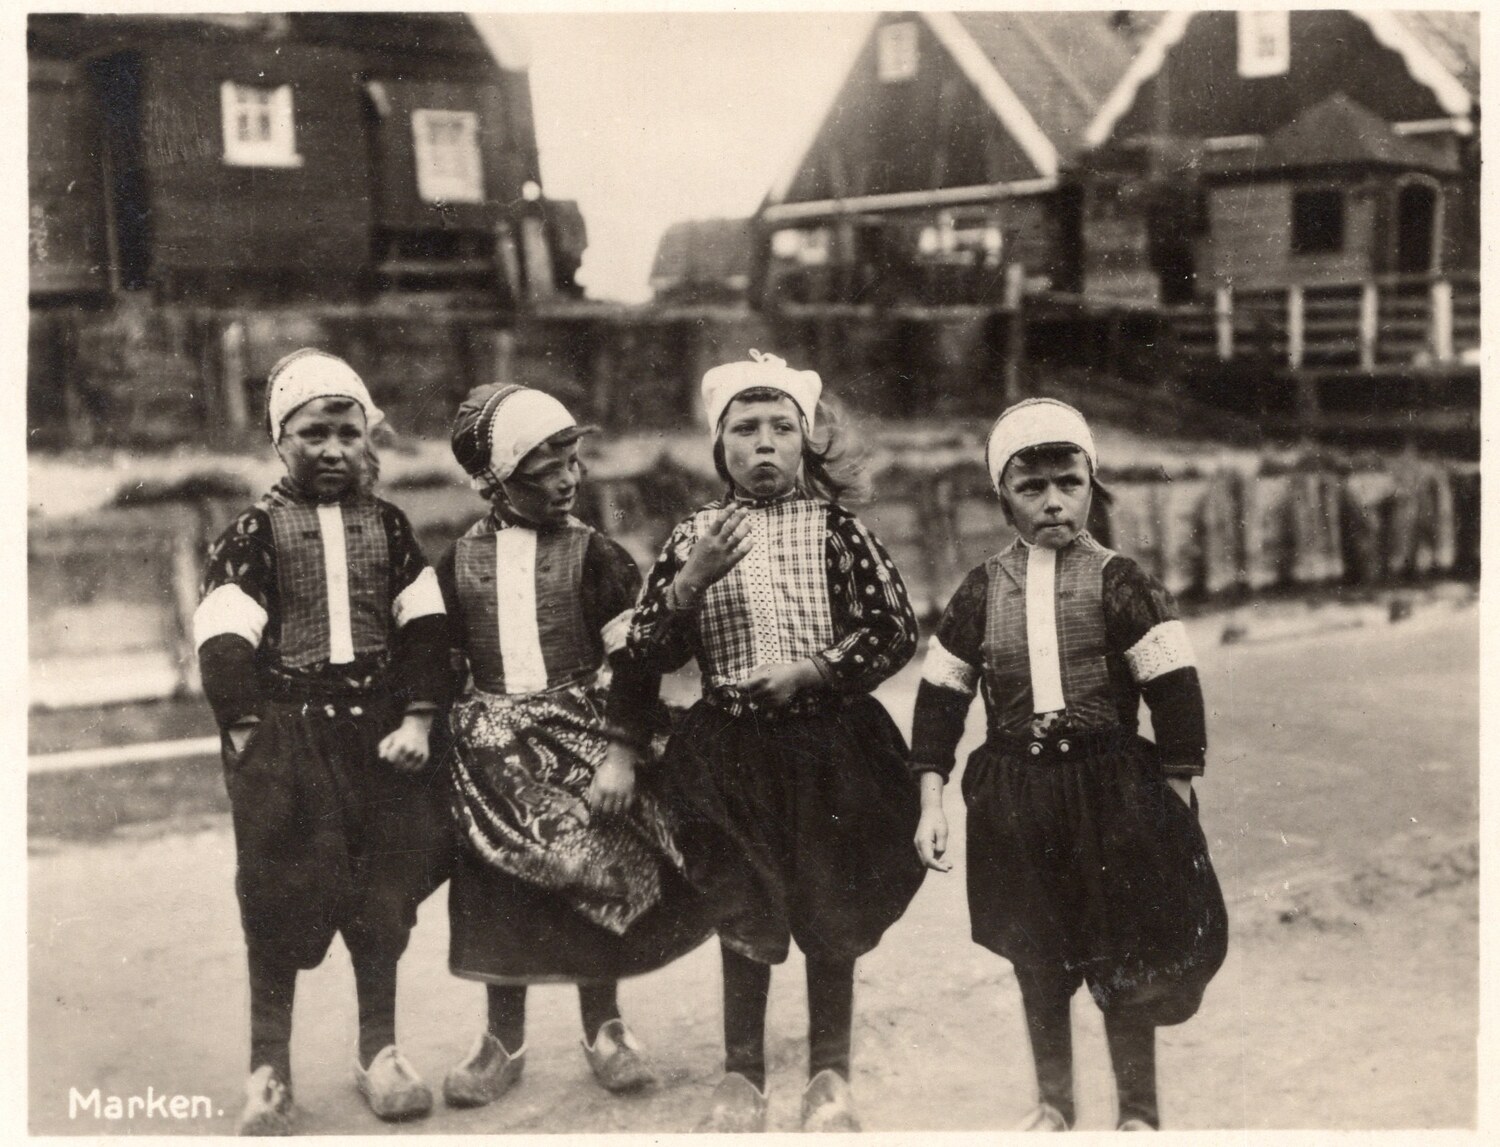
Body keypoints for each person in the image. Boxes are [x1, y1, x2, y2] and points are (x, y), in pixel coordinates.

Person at [606, 350, 926, 1133]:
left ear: (805, 441)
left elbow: (893, 629)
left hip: (830, 748)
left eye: (781, 427)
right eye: (744, 429)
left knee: (831, 899)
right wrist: (690, 581)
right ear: (719, 448)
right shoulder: (693, 537)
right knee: (741, 901)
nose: (764, 444)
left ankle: (829, 1073)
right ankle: (742, 1074)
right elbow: (644, 653)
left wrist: (814, 670)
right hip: (729, 756)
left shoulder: (839, 531)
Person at [908, 398, 1229, 1132]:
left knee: (1127, 955)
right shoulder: (980, 590)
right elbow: (940, 702)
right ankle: (1054, 1106)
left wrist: (1173, 797)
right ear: (1003, 498)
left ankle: (1138, 1115)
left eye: (1069, 483)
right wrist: (931, 799)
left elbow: (1176, 692)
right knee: (1037, 956)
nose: (1053, 501)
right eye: (1032, 487)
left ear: (1091, 485)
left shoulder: (1124, 582)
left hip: (1112, 794)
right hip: (1017, 799)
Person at [193, 349, 453, 1135]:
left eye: (348, 433)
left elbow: (427, 629)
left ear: (367, 437)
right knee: (277, 895)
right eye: (314, 434)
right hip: (289, 741)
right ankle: (268, 1068)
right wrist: (251, 732)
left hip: (380, 739)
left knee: (381, 898)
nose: (334, 449)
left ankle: (380, 1048)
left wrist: (418, 719)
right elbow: (223, 638)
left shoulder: (390, 527)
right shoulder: (253, 533)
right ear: (280, 439)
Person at [436, 384, 713, 1109]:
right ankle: (502, 1039)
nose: (569, 479)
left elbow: (635, 660)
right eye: (546, 469)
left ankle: (605, 1026)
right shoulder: (458, 563)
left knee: (595, 873)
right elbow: (440, 660)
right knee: (499, 890)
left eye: (573, 462)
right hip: (491, 756)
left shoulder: (597, 557)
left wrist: (620, 752)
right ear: (496, 479)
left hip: (583, 742)